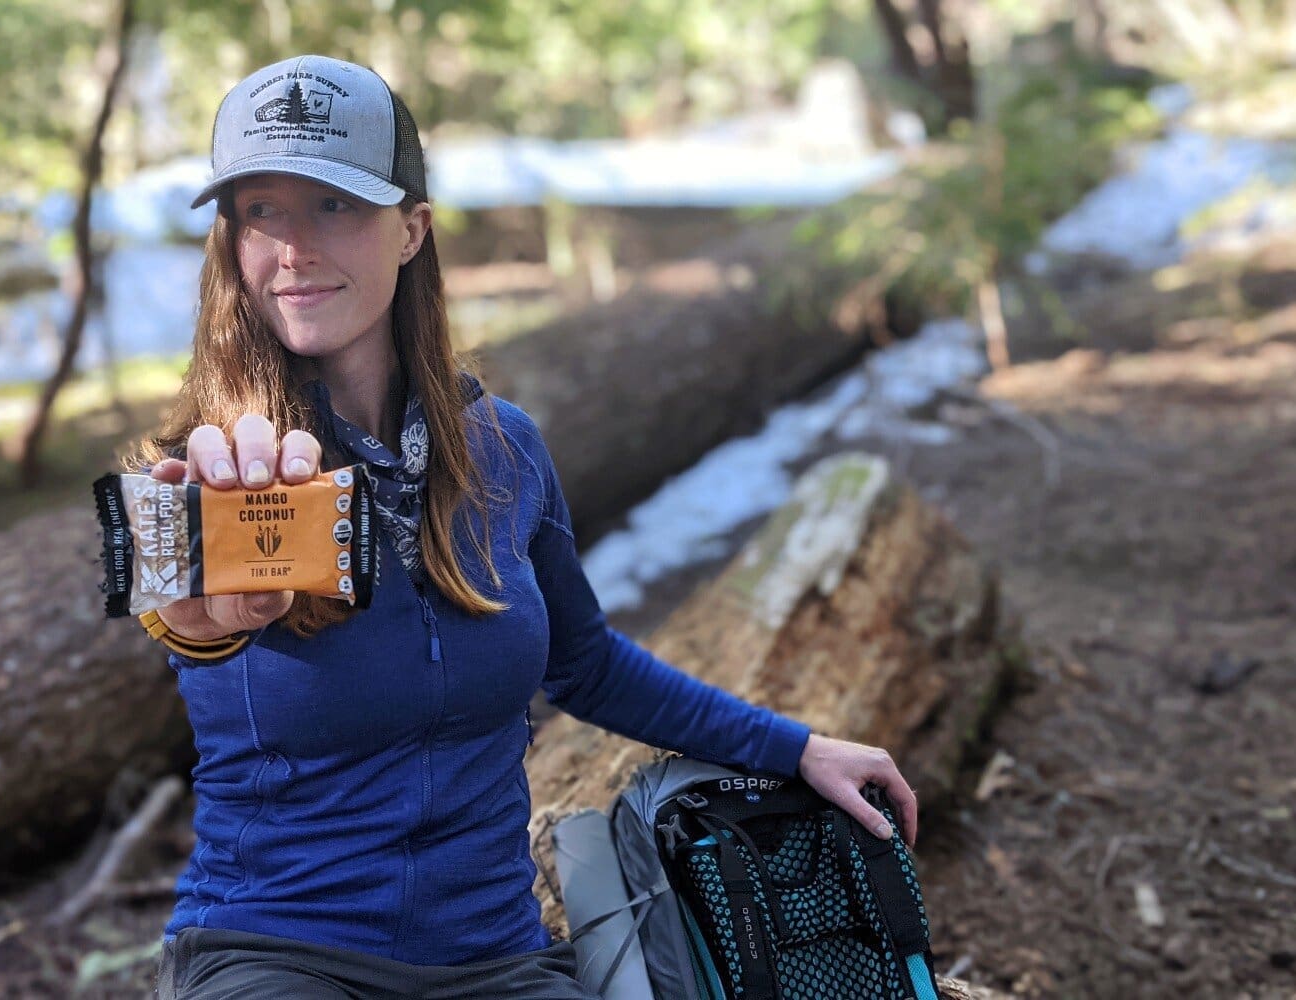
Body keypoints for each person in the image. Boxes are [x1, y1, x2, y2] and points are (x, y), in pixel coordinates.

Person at [132, 54, 919, 1000]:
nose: (294, 246)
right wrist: (208, 614)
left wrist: (796, 748)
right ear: (232, 241)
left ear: (413, 228)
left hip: (494, 962)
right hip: (274, 954)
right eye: (262, 210)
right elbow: (189, 622)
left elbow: (585, 664)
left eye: (335, 205)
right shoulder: (199, 470)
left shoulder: (503, 451)